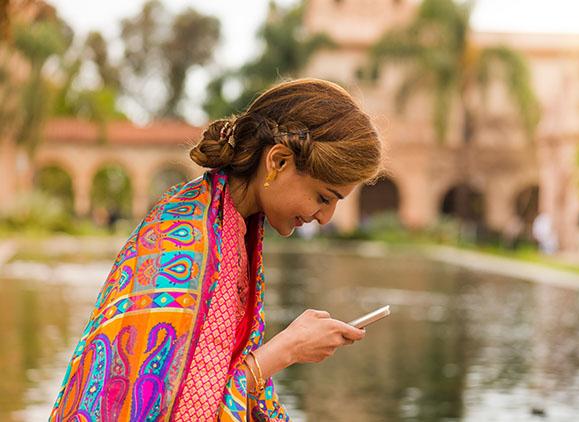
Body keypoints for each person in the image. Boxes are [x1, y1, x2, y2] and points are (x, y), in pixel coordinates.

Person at [50, 78, 383, 421]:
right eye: (324, 197)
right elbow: (177, 412)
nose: (326, 217)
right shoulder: (184, 243)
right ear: (278, 161)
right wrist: (287, 348)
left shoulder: (231, 225)